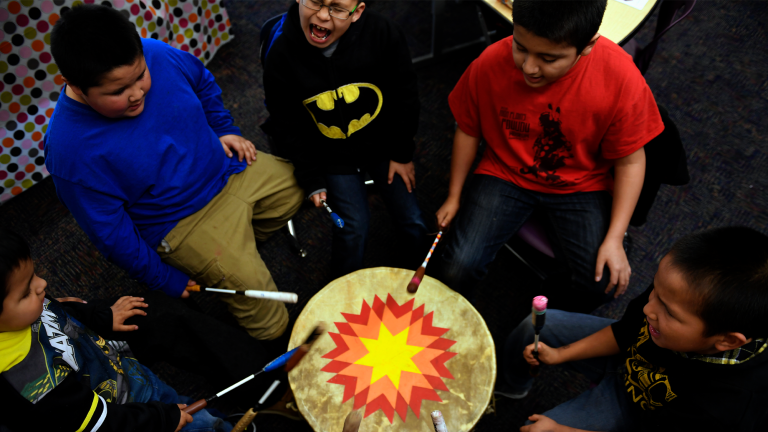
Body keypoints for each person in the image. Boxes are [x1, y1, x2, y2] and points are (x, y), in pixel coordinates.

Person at [44, 5, 304, 340]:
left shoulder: (155, 52)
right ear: (72, 84)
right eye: (117, 92)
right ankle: (274, 340)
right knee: (268, 313)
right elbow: (111, 233)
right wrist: (163, 278)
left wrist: (224, 129)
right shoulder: (68, 149)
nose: (137, 93)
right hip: (180, 222)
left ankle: (238, 246)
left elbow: (202, 81)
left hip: (226, 167)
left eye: (140, 76)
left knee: (303, 186)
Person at [433, 0, 664, 310]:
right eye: (520, 47)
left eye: (548, 58)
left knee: (600, 285)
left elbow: (631, 160)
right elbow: (468, 129)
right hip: (505, 174)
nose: (529, 67)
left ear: (587, 45)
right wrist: (454, 195)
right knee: (455, 269)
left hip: (582, 185)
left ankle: (543, 313)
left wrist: (614, 236)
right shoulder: (490, 61)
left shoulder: (621, 76)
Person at [0, 227, 281, 431]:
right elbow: (101, 423)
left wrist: (102, 316)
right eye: (26, 292)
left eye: (35, 274)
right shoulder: (31, 382)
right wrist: (162, 420)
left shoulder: (26, 307)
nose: (42, 284)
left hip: (129, 376)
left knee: (182, 402)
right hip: (130, 413)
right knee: (193, 421)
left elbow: (63, 311)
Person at [499, 227, 768, 432]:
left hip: (639, 412)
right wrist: (561, 355)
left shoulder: (724, 408)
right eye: (656, 291)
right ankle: (510, 386)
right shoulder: (673, 296)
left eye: (668, 311)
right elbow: (626, 330)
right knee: (540, 326)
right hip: (630, 359)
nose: (648, 309)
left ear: (727, 340)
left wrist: (562, 429)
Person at [261, 0, 429, 278]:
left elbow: (405, 95)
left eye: (337, 8)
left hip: (383, 143)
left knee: (413, 219)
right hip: (329, 154)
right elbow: (285, 124)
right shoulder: (280, 55)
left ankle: (425, 277)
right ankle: (342, 287)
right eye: (315, 2)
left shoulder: (383, 33)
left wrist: (401, 152)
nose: (323, 16)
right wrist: (311, 177)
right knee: (352, 227)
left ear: (358, 12)